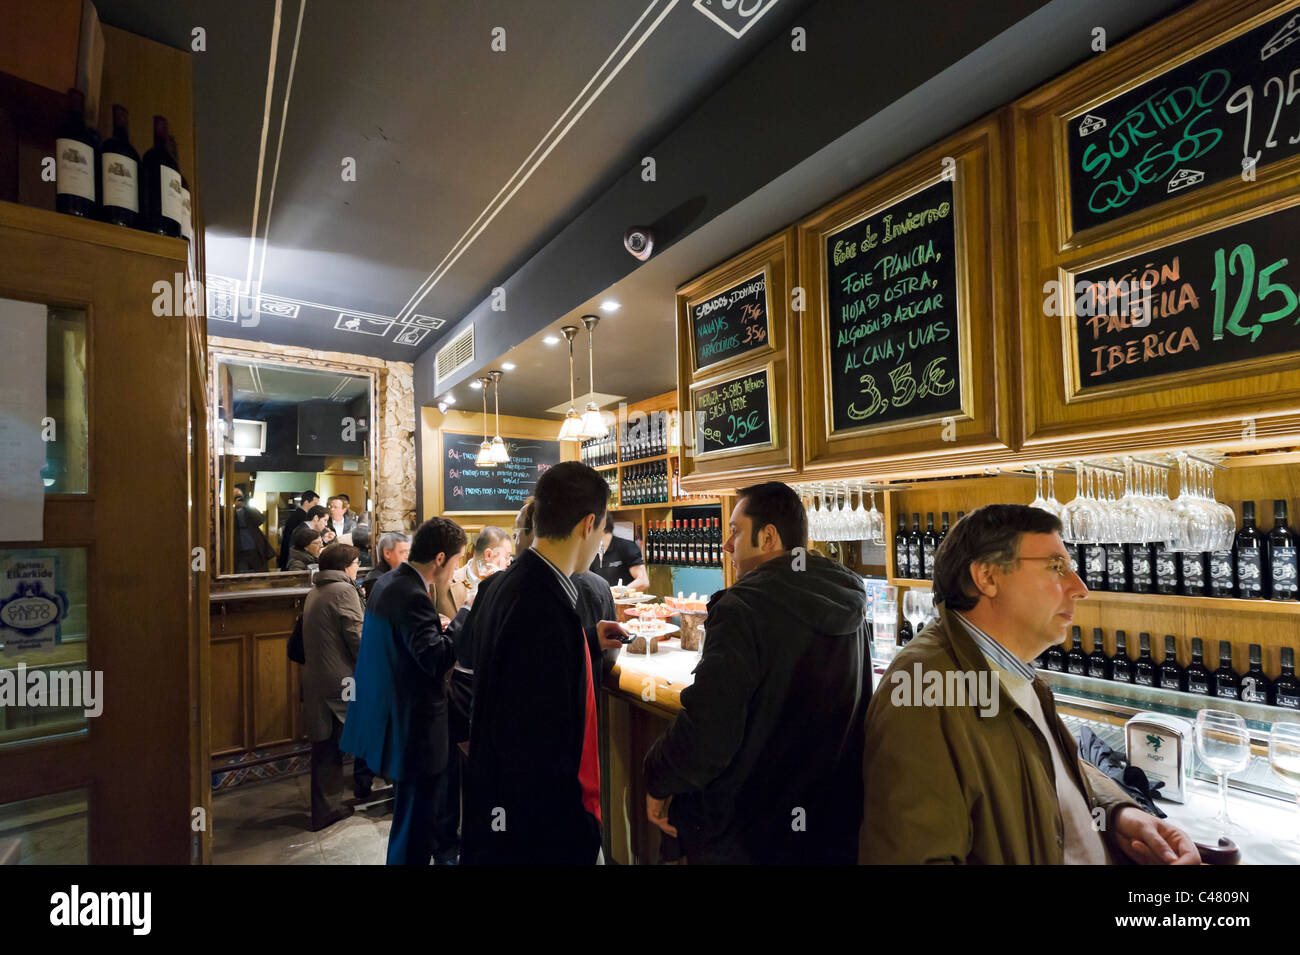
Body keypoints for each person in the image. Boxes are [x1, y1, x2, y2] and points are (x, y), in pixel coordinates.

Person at [859, 504, 1200, 865]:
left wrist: (1118, 812)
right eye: (1056, 567)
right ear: (988, 577)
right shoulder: (924, 688)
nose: (1079, 588)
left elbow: (1039, 763)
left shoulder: (1010, 667)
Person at [642, 481, 870, 864]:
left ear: (768, 538)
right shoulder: (848, 596)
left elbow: (709, 734)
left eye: (734, 531)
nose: (727, 545)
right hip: (831, 825)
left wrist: (657, 776)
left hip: (749, 833)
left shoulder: (742, 609)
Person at [461, 463, 625, 865]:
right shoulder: (543, 605)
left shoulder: (503, 584)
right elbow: (537, 746)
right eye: (603, 528)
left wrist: (584, 639)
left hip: (497, 812)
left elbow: (514, 668)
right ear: (589, 525)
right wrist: (577, 831)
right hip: (535, 833)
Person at [341, 517, 467, 865]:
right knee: (416, 823)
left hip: (391, 715)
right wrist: (463, 619)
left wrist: (437, 627)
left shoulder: (389, 582)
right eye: (457, 560)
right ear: (441, 558)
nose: (457, 569)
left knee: (411, 817)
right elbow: (435, 659)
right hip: (413, 725)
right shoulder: (412, 592)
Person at [301, 543, 367, 829]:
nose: (358, 568)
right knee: (332, 746)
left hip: (319, 679)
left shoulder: (317, 589)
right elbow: (357, 636)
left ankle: (327, 807)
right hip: (339, 682)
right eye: (355, 563)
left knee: (325, 745)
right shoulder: (343, 590)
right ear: (344, 566)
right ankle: (328, 809)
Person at [436, 526, 512, 620]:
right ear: (488, 554)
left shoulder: (506, 588)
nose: (509, 563)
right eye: (507, 556)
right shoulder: (439, 586)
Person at [589, 513, 648, 591]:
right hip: (603, 602)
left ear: (601, 525)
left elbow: (643, 581)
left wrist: (617, 593)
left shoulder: (626, 547)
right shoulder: (592, 551)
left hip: (625, 602)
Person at [233, 484, 275, 574]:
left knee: (260, 575)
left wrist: (247, 506)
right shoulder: (227, 512)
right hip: (239, 552)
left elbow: (260, 519)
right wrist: (234, 507)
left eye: (240, 497)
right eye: (236, 497)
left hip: (255, 551)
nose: (239, 499)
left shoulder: (248, 510)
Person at [278, 490, 320, 570]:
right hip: (293, 558)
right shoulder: (301, 518)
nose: (315, 507)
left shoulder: (297, 515)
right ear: (307, 502)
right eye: (315, 504)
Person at [363, 531, 410, 600]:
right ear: (387, 553)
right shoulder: (376, 580)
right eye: (403, 552)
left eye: (409, 552)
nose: (408, 556)